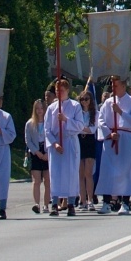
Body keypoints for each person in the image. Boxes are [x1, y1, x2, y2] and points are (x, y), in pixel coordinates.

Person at [96, 74, 131, 214]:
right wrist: (109, 134)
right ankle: (106, 202)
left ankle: (125, 202)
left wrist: (120, 112)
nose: (113, 88)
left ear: (123, 86)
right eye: (112, 86)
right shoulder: (108, 103)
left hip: (126, 138)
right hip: (111, 139)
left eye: (115, 85)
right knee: (108, 171)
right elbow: (101, 121)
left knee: (125, 171)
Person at [43, 79, 85, 215]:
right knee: (55, 173)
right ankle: (54, 203)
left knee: (71, 172)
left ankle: (71, 203)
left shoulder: (75, 106)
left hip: (69, 141)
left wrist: (66, 120)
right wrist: (54, 143)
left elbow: (80, 125)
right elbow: (47, 129)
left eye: (61, 90)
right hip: (56, 144)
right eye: (56, 91)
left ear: (67, 90)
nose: (58, 93)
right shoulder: (51, 108)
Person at [76, 86, 98, 211]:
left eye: (87, 99)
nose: (84, 101)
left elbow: (93, 129)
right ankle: (82, 200)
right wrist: (82, 128)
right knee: (80, 173)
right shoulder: (77, 113)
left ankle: (90, 200)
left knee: (88, 173)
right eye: (82, 99)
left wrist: (81, 128)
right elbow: (75, 126)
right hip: (79, 141)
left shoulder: (94, 114)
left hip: (89, 142)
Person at [25, 99, 49, 214]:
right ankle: (36, 204)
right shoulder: (30, 123)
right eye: (37, 109)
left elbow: (53, 136)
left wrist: (47, 153)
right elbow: (28, 141)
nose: (40, 111)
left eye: (41, 108)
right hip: (35, 152)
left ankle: (46, 205)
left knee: (48, 180)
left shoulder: (48, 122)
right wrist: (36, 152)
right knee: (36, 180)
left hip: (47, 150)